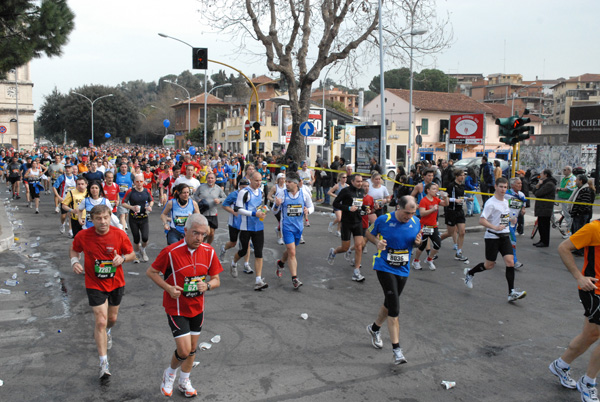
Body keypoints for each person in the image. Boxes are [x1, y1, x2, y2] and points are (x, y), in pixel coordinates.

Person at [146, 214, 223, 398]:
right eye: (195, 233)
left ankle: (184, 381)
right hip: (176, 307)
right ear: (185, 231)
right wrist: (168, 288)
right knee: (184, 350)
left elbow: (216, 279)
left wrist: (208, 285)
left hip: (197, 307)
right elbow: (151, 271)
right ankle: (170, 373)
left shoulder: (209, 251)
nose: (199, 238)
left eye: (202, 234)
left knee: (193, 349)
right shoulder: (171, 252)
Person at [70, 204, 135, 379]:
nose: (103, 221)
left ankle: (108, 331)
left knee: (111, 319)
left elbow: (132, 255)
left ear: (110, 217)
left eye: (106, 218)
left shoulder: (119, 234)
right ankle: (103, 363)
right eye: (99, 218)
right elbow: (75, 249)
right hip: (94, 283)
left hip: (115, 283)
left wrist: (122, 258)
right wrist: (74, 262)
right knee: (100, 321)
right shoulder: (83, 235)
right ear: (92, 220)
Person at [364, 196, 422, 364]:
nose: (409, 217)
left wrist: (418, 243)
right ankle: (397, 350)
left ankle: (374, 328)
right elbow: (368, 232)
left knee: (389, 302)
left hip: (403, 268)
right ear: (398, 208)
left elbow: (416, 243)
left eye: (412, 213)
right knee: (395, 307)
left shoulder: (416, 222)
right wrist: (376, 242)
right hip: (384, 266)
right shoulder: (384, 219)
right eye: (406, 213)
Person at [549, 220, 600, 401]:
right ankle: (588, 382)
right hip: (593, 290)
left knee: (590, 336)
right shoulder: (595, 228)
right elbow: (564, 247)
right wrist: (579, 277)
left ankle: (561, 365)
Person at [463, 177, 527, 302]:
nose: (503, 189)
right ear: (496, 187)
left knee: (510, 262)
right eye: (501, 187)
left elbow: (502, 217)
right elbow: (482, 220)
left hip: (505, 236)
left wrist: (510, 220)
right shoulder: (490, 203)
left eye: (505, 187)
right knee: (489, 265)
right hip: (492, 237)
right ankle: (470, 273)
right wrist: (495, 227)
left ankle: (511, 292)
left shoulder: (505, 202)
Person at [273, 172, 314, 289]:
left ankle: (281, 263)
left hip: (298, 227)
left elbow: (311, 207)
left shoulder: (304, 194)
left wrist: (308, 211)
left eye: (289, 182)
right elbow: (274, 211)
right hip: (286, 227)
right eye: (286, 181)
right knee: (292, 252)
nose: (286, 183)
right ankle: (294, 279)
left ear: (296, 183)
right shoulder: (282, 194)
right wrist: (276, 205)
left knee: (291, 250)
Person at [230, 171, 269, 290]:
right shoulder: (244, 192)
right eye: (256, 180)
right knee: (242, 251)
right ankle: (233, 263)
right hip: (245, 227)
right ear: (250, 180)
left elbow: (259, 206)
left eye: (260, 180)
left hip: (258, 226)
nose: (258, 183)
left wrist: (263, 210)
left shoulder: (260, 191)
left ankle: (258, 280)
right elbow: (238, 209)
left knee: (259, 252)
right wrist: (254, 213)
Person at [328, 173, 367, 282]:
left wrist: (365, 209)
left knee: (359, 246)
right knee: (345, 247)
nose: (360, 183)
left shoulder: (361, 191)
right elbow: (336, 203)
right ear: (352, 182)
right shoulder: (346, 191)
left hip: (358, 221)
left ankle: (356, 272)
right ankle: (334, 252)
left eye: (361, 181)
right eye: (358, 181)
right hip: (347, 222)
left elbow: (360, 205)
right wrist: (348, 208)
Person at [412, 183, 448, 271]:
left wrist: (445, 197)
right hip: (425, 226)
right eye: (434, 189)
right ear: (428, 190)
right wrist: (432, 210)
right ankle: (416, 261)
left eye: (437, 189)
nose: (436, 191)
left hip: (434, 226)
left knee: (437, 244)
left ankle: (429, 259)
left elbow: (445, 204)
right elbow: (422, 213)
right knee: (422, 245)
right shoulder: (424, 201)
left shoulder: (436, 199)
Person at [220, 178, 252, 274]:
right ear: (239, 186)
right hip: (234, 223)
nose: (244, 190)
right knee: (233, 243)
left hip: (246, 223)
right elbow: (224, 205)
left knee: (247, 244)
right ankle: (224, 248)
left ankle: (246, 264)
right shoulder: (234, 195)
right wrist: (234, 212)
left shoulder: (250, 195)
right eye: (242, 187)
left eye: (246, 188)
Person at [121, 173, 154, 262]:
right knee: (136, 238)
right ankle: (136, 254)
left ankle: (143, 250)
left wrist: (150, 207)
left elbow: (151, 201)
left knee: (145, 237)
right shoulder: (130, 191)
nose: (139, 183)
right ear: (134, 182)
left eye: (141, 181)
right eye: (137, 181)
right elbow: (123, 202)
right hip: (133, 218)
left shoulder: (147, 191)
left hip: (144, 218)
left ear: (144, 182)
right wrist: (131, 207)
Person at [440, 169, 472, 261]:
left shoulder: (462, 186)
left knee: (462, 232)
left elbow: (460, 197)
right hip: (451, 211)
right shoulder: (451, 186)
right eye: (461, 175)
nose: (463, 177)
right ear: (456, 176)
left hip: (459, 211)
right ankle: (437, 240)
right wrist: (455, 200)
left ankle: (459, 252)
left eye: (464, 175)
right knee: (450, 233)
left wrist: (467, 199)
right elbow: (445, 197)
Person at [193, 172, 226, 245]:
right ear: (206, 179)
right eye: (208, 178)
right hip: (202, 213)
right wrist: (198, 199)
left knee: (211, 233)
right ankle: (200, 244)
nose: (210, 180)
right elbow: (195, 195)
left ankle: (207, 246)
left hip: (213, 213)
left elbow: (225, 198)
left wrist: (219, 200)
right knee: (206, 232)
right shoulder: (201, 187)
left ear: (215, 179)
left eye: (212, 178)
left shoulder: (218, 188)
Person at [568, 174, 595, 256]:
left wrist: (578, 212)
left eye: (577, 179)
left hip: (581, 215)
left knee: (580, 232)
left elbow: (584, 204)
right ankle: (577, 248)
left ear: (581, 181)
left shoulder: (585, 190)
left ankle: (581, 250)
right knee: (575, 231)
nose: (575, 181)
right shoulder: (579, 189)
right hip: (577, 214)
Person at [505, 177, 527, 269]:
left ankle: (494, 254)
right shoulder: (506, 194)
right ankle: (514, 261)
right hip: (506, 220)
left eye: (521, 183)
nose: (520, 185)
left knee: (506, 240)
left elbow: (523, 205)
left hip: (515, 220)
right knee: (513, 239)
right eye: (518, 183)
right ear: (512, 185)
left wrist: (523, 209)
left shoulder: (522, 195)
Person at [533, 169, 557, 248]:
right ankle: (541, 240)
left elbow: (538, 193)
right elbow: (534, 191)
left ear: (546, 175)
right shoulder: (544, 183)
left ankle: (545, 241)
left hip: (545, 208)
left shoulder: (549, 184)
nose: (540, 175)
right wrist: (537, 185)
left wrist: (539, 186)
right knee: (541, 225)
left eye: (542, 173)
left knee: (544, 226)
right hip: (542, 207)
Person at [558, 166, 577, 238]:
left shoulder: (572, 178)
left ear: (569, 170)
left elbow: (570, 188)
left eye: (564, 170)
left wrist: (560, 189)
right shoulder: (565, 178)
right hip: (562, 197)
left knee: (568, 215)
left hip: (567, 199)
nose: (563, 171)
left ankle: (570, 231)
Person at [327, 172, 348, 237]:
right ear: (340, 178)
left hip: (344, 204)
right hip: (337, 204)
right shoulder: (337, 186)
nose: (345, 179)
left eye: (346, 177)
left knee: (342, 219)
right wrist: (336, 196)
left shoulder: (347, 186)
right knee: (339, 218)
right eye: (343, 177)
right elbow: (329, 192)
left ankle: (338, 231)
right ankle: (332, 224)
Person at [115, 162, 134, 230]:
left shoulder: (130, 175)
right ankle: (123, 231)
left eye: (125, 167)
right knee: (122, 214)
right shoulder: (116, 175)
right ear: (120, 168)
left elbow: (135, 184)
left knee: (126, 213)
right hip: (120, 196)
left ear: (127, 168)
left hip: (128, 197)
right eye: (122, 167)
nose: (123, 169)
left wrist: (132, 189)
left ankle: (124, 223)